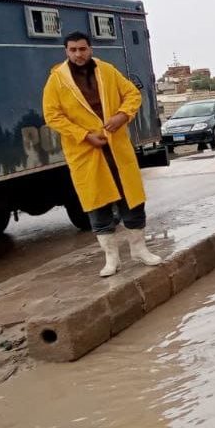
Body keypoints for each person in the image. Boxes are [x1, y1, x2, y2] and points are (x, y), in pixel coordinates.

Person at [43, 31, 162, 276]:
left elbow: (132, 94)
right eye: (73, 49)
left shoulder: (107, 71)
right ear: (66, 51)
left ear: (91, 49)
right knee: (98, 205)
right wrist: (84, 135)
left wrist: (122, 116)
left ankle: (139, 249)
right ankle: (111, 258)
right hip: (86, 152)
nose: (78, 54)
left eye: (82, 49)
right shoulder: (57, 80)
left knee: (132, 201)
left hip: (116, 148)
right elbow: (53, 116)